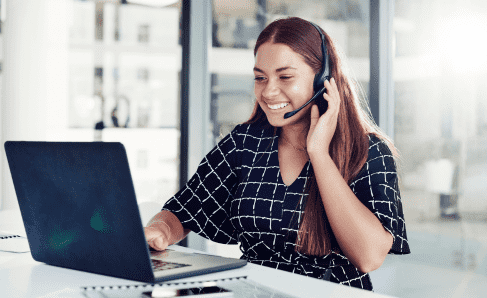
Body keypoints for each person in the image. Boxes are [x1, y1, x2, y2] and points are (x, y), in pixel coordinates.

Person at [144, 17, 410, 291]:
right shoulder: (244, 143)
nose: (268, 91)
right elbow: (183, 209)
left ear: (323, 80)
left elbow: (369, 256)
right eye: (260, 77)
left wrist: (318, 153)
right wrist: (160, 231)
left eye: (285, 77)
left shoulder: (368, 151)